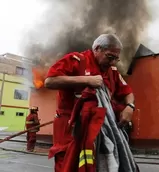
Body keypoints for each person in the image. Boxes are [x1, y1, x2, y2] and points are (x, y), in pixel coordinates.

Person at [44, 34, 136, 172]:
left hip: (100, 131)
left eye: (116, 59)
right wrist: (86, 80)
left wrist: (130, 107)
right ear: (97, 49)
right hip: (71, 129)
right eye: (110, 57)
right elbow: (50, 81)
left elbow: (128, 93)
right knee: (68, 166)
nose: (112, 63)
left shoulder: (112, 72)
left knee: (97, 165)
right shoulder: (76, 60)